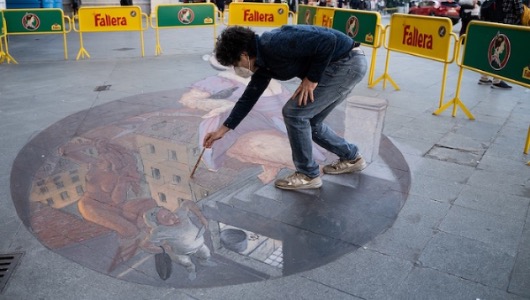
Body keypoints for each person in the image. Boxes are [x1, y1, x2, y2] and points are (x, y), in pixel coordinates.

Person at [203, 25, 368, 190]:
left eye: (235, 63)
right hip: (342, 66)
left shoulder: (275, 43)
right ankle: (351, 157)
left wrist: (311, 78)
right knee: (311, 123)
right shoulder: (263, 63)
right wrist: (222, 130)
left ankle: (307, 175)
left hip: (345, 64)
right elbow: (248, 98)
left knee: (294, 114)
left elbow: (328, 41)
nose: (235, 69)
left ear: (244, 55)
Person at [478, 0, 524, 88]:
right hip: (506, 23)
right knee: (500, 51)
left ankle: (484, 77)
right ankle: (497, 80)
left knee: (491, 48)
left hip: (493, 21)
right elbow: (519, 10)